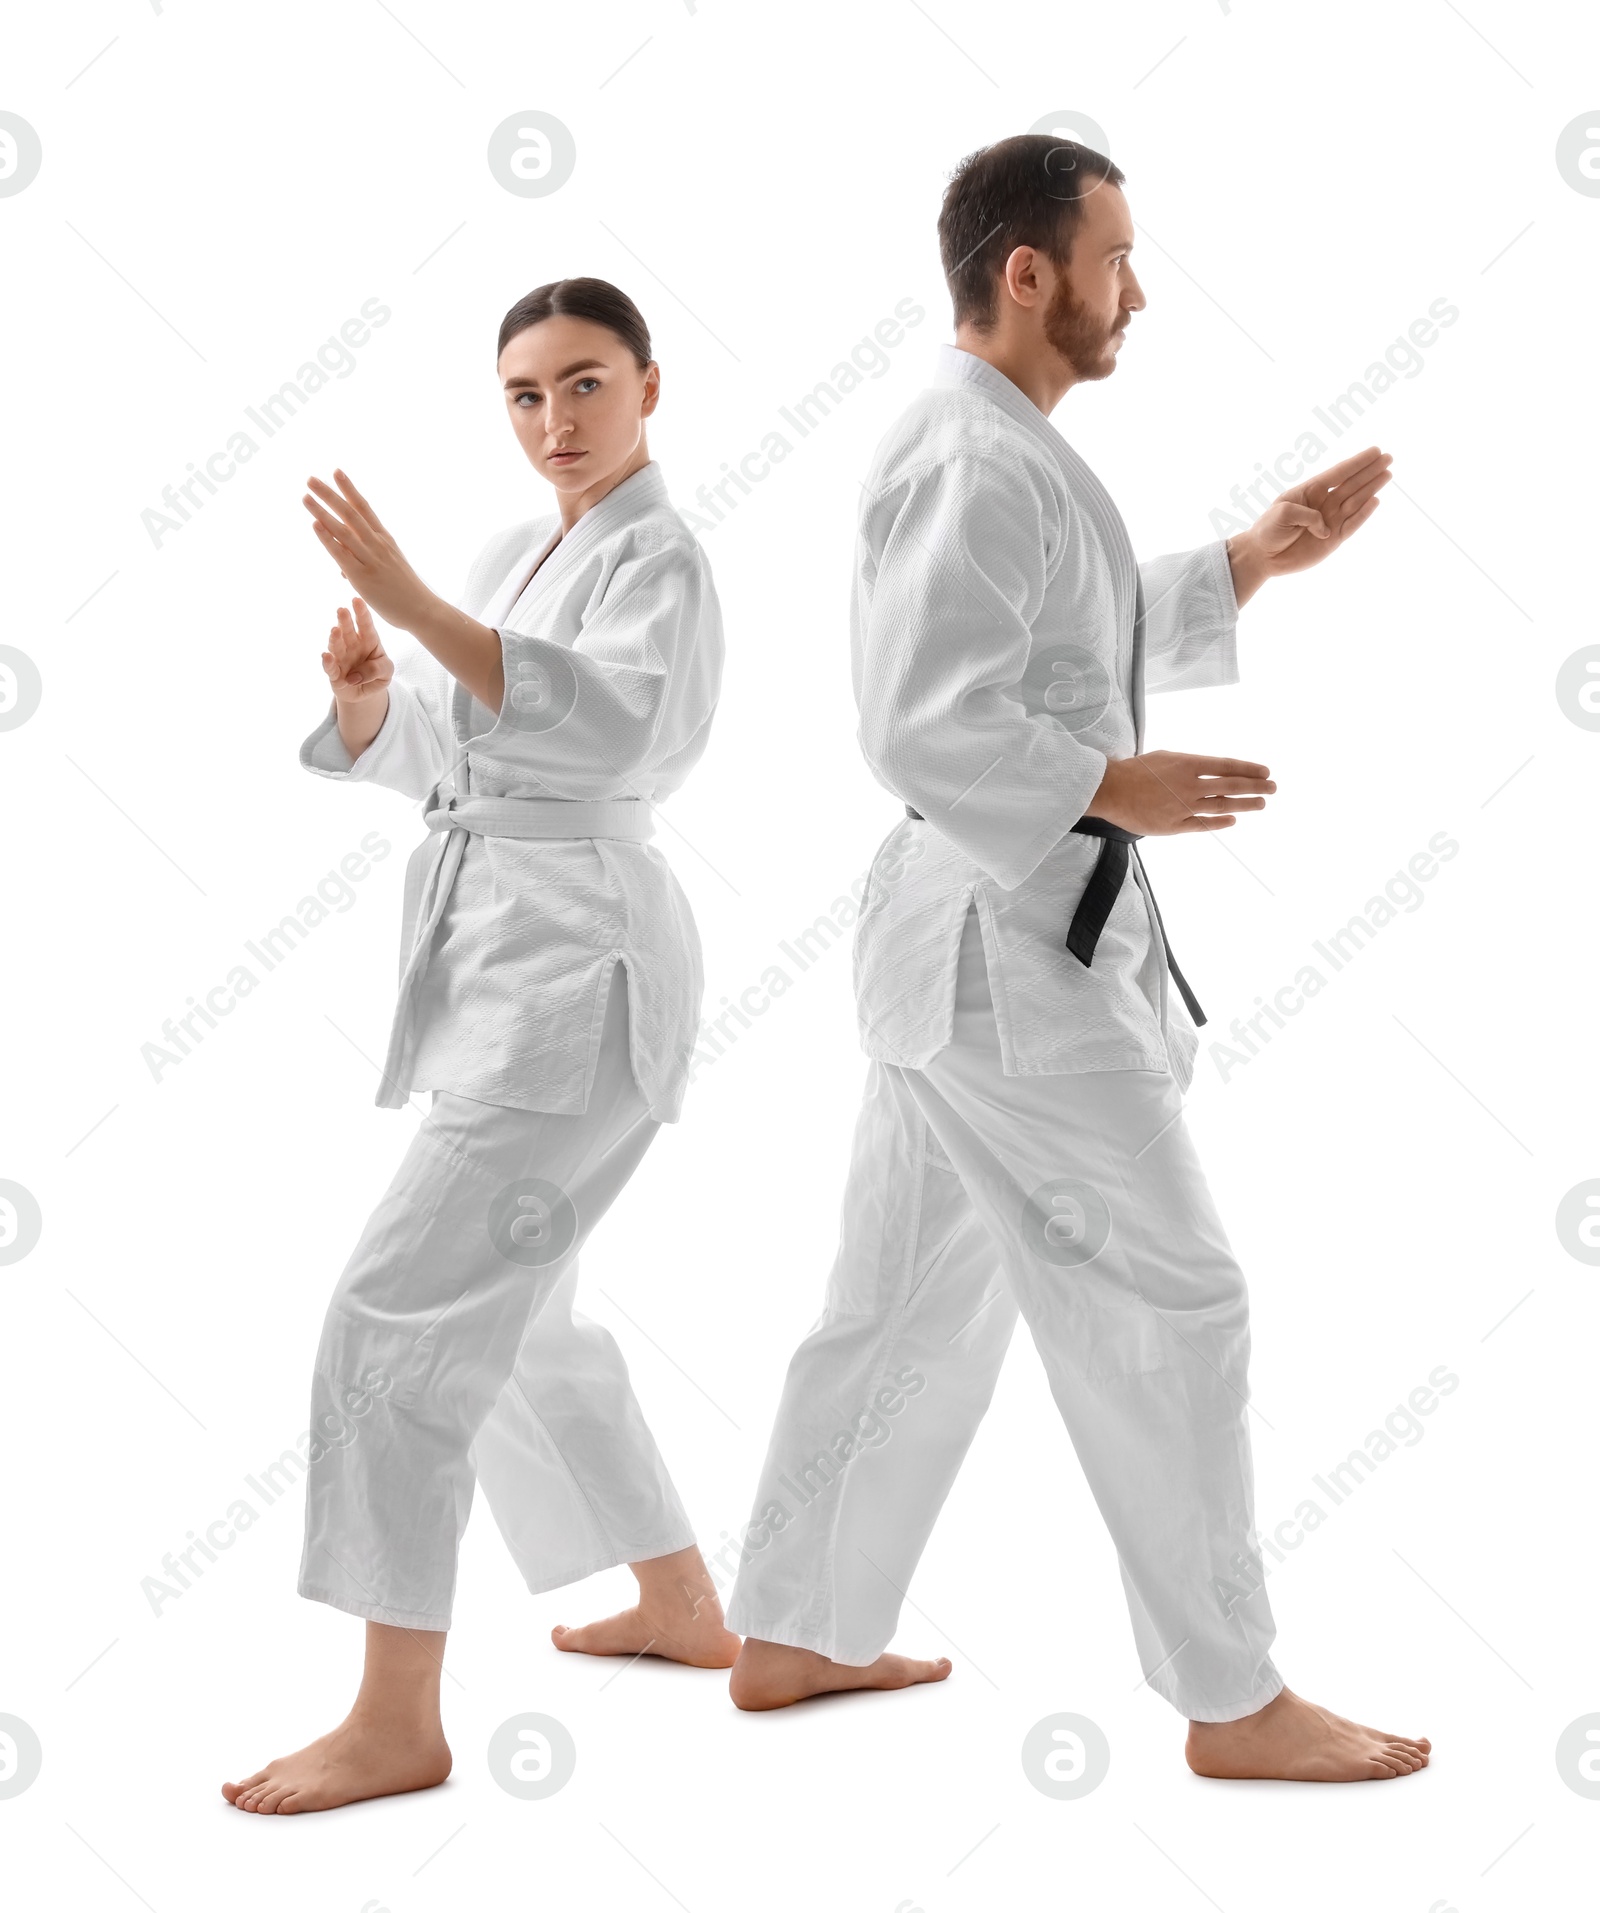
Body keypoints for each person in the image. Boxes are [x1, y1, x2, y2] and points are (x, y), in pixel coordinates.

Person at [725, 136, 1431, 1783]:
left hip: (966, 952)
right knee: (1173, 1298)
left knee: (903, 1300)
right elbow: (920, 716)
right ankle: (1233, 1697)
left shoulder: (1001, 450)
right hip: (1008, 963)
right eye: (1117, 257)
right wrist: (1118, 785)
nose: (1137, 290)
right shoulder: (972, 454)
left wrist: (1253, 559)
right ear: (1028, 271)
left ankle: (795, 1626)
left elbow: (1050, 642)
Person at [223, 277, 736, 1816]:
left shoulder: (665, 558)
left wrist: (411, 600)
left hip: (580, 971)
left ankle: (396, 1716)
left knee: (394, 1316)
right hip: (506, 953)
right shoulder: (522, 551)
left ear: (651, 386)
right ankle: (682, 1598)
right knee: (530, 1318)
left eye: (584, 386)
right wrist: (381, 702)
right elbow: (468, 759)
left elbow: (604, 732)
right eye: (523, 396)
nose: (554, 423)